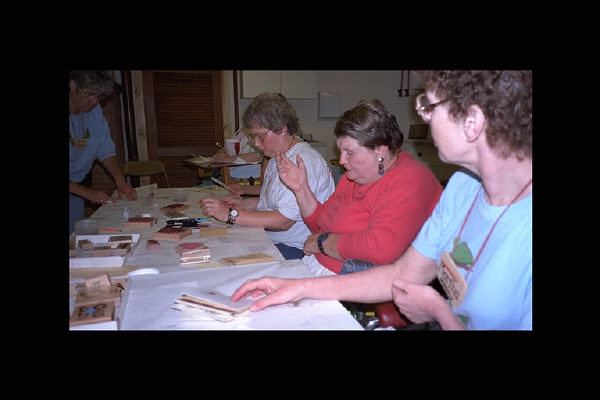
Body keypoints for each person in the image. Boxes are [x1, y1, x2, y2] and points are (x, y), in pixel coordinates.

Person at [232, 71, 532, 330]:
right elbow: (402, 274)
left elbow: (384, 252)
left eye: (429, 106)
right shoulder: (462, 188)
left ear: (473, 121)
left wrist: (439, 311)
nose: (423, 117)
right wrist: (297, 288)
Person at [275, 99, 442, 277]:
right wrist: (301, 189)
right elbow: (321, 226)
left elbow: (381, 248)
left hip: (352, 279)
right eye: (341, 151)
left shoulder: (410, 180)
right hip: (320, 265)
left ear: (380, 151)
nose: (341, 160)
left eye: (350, 153)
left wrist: (322, 243)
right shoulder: (355, 176)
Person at [200, 93, 335, 259]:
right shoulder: (276, 156)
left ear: (282, 129)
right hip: (276, 240)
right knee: (216, 247)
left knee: (223, 258)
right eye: (253, 136)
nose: (256, 143)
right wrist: (245, 204)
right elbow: (275, 202)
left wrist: (229, 215)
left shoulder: (302, 161)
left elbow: (284, 221)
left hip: (298, 248)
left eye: (260, 136)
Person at [69, 70, 137, 234]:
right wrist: (87, 193)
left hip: (75, 189)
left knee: (73, 237)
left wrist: (120, 179)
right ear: (72, 86)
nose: (94, 101)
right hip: (77, 189)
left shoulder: (94, 111)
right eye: (90, 94)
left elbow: (105, 149)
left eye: (98, 96)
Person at [210, 128, 264, 196]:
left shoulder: (263, 134)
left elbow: (258, 155)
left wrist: (229, 159)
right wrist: (220, 154)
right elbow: (224, 149)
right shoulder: (243, 132)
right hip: (225, 180)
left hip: (250, 183)